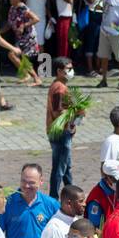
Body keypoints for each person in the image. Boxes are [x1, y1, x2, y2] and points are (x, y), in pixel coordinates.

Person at [45, 57, 78, 198]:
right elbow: (58, 112)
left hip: (61, 131)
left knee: (66, 167)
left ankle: (71, 194)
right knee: (59, 168)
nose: (71, 71)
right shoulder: (59, 88)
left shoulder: (60, 85)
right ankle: (54, 197)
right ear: (59, 71)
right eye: (68, 69)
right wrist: (76, 112)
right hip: (60, 132)